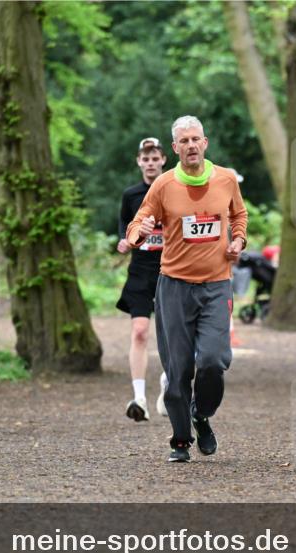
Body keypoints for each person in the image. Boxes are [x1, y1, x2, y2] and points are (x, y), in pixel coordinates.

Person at [127, 116, 248, 463]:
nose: (191, 145)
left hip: (215, 284)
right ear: (176, 148)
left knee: (213, 360)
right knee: (178, 369)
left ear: (205, 143)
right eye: (184, 141)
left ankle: (201, 413)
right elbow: (138, 221)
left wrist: (238, 239)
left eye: (196, 139)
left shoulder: (225, 179)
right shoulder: (163, 185)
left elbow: (239, 216)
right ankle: (181, 438)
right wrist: (139, 231)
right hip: (174, 288)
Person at [116, 137, 169, 421]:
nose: (150, 163)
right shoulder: (131, 195)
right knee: (139, 332)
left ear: (163, 160)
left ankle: (166, 384)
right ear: (139, 162)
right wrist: (124, 242)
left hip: (169, 270)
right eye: (145, 159)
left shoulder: (173, 190)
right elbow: (124, 228)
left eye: (154, 158)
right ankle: (139, 398)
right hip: (139, 271)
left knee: (170, 336)